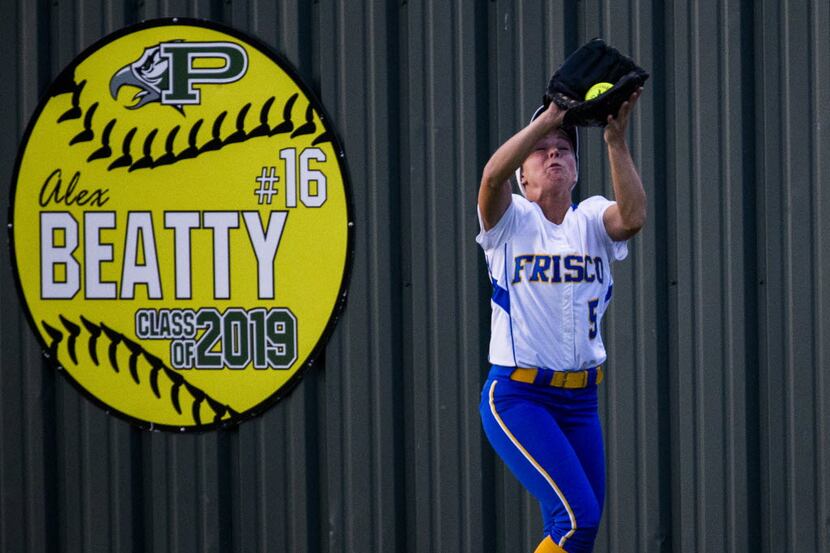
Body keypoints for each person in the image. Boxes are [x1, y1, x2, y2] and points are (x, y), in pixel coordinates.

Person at [476, 88, 646, 553]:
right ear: (524, 177)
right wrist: (548, 118)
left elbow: (632, 217)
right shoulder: (512, 220)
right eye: (541, 151)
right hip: (518, 395)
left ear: (575, 170)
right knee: (575, 518)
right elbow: (492, 178)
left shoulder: (590, 218)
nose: (554, 153)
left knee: (580, 533)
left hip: (581, 402)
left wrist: (615, 141)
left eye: (564, 149)